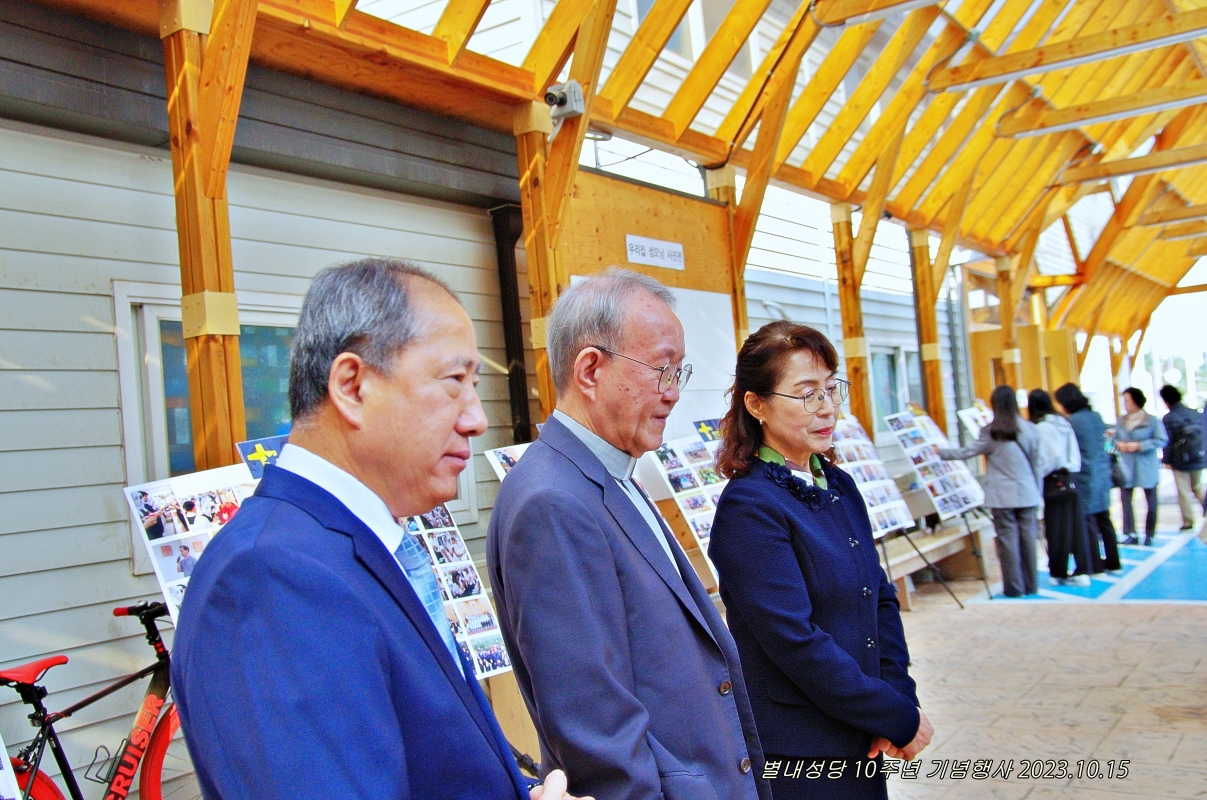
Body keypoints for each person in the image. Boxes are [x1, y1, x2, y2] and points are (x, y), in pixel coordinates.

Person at [172, 259, 586, 800]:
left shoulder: (350, 546)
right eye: (454, 382)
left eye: (475, 386)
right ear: (352, 386)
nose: (477, 419)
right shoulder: (271, 576)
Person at [488, 268, 771, 800]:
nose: (674, 393)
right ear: (590, 370)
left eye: (679, 373)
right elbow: (596, 731)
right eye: (662, 370)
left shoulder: (608, 472)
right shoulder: (553, 503)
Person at [708, 321, 931, 800]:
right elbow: (794, 639)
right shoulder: (750, 507)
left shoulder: (839, 486)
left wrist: (896, 699)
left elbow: (880, 598)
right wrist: (892, 715)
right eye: (807, 393)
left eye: (831, 389)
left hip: (861, 731)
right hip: (800, 749)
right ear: (756, 404)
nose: (827, 406)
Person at [937, 386, 1042, 597]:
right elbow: (1037, 463)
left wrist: (940, 453)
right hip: (1027, 492)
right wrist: (1037, 491)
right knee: (1028, 539)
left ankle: (1014, 587)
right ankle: (1031, 585)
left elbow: (968, 452)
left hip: (1001, 496)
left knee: (1007, 541)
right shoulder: (1030, 429)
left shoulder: (992, 431)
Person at [1053, 383, 1122, 576]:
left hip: (1084, 476)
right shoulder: (1096, 416)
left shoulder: (1072, 422)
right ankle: (1114, 562)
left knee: (1087, 520)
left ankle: (1095, 565)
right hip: (1102, 472)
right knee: (1104, 518)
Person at [1028, 389, 1092, 586]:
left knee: (1056, 529)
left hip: (1053, 481)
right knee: (1076, 527)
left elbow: (1048, 458)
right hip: (1071, 478)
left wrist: (1038, 476)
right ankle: (1082, 570)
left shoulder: (1042, 427)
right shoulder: (1063, 422)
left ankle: (1058, 572)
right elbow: (1073, 452)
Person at [1116, 387, 1168, 546]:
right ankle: (1130, 533)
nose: (1125, 404)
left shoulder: (1151, 421)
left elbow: (1161, 440)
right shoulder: (1121, 421)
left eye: (1127, 400)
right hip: (1127, 465)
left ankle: (1149, 534)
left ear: (1135, 401)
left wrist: (1140, 445)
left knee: (1151, 501)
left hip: (1146, 465)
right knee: (1125, 500)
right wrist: (1119, 444)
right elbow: (1114, 439)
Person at [1159, 384, 1206, 530]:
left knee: (1184, 491)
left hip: (1181, 461)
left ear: (1166, 401)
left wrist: (1166, 460)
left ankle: (1188, 521)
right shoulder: (1195, 413)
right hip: (1199, 457)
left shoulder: (1169, 418)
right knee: (1198, 487)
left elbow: (1168, 441)